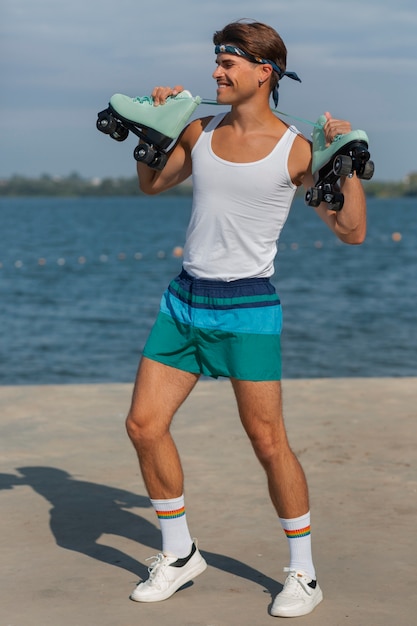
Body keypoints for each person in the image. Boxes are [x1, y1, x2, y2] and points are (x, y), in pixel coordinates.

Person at [125, 19, 366, 618]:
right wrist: (153, 134)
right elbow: (152, 186)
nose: (215, 73)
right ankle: (180, 555)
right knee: (143, 425)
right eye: (216, 61)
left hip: (248, 308)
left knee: (267, 442)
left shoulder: (297, 150)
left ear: (265, 72)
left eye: (227, 63)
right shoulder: (199, 131)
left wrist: (347, 162)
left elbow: (352, 231)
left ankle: (303, 574)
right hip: (185, 301)